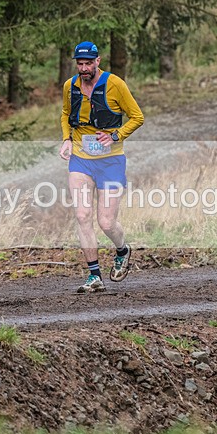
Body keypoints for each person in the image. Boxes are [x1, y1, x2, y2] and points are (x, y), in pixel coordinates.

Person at [59, 41, 144, 293]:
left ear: (98, 61)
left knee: (106, 222)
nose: (84, 68)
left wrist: (116, 135)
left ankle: (122, 250)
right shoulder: (70, 86)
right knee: (82, 215)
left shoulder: (115, 84)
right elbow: (65, 114)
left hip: (110, 161)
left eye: (88, 63)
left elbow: (137, 117)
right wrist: (66, 139)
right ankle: (94, 276)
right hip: (81, 158)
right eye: (80, 64)